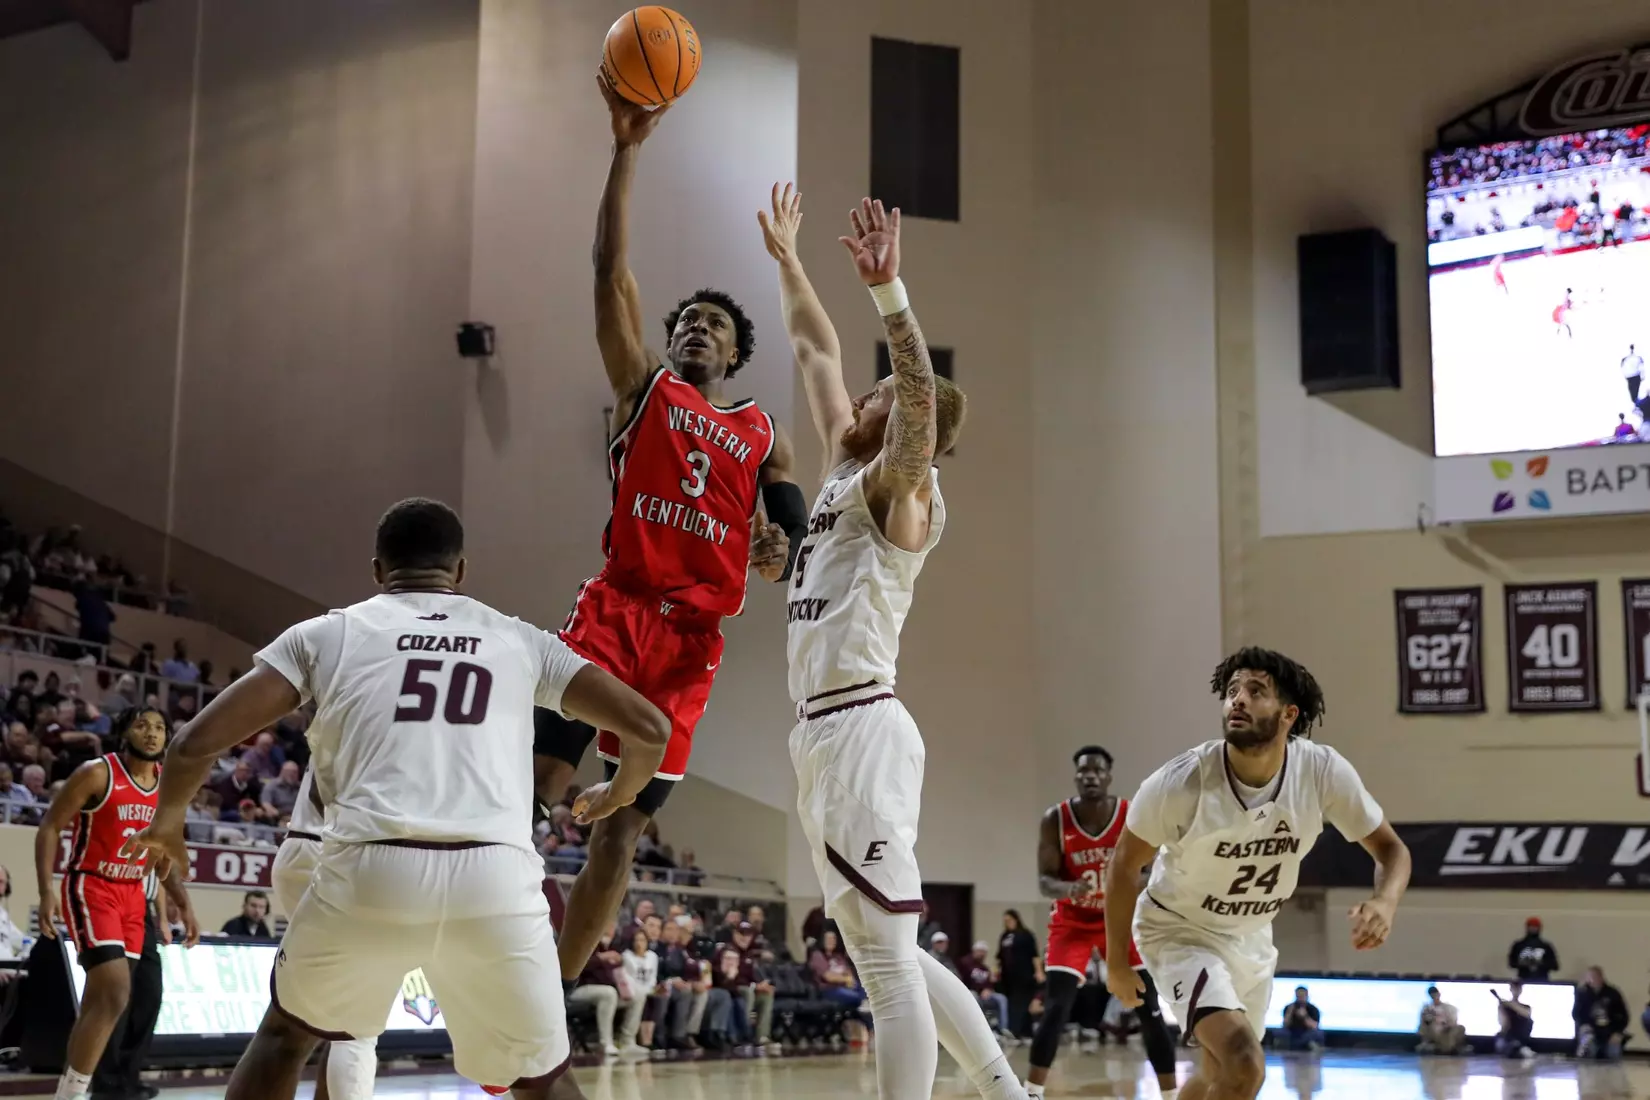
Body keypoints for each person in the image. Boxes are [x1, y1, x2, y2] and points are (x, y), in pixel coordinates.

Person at [121, 497, 671, 1100]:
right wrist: (619, 790)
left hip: (370, 870)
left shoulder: (329, 633)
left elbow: (195, 742)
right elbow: (650, 730)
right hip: (495, 880)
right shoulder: (521, 641)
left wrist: (170, 821)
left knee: (285, 1039)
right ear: (460, 571)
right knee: (540, 1079)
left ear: (378, 570)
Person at [532, 73, 804, 991]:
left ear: (736, 354)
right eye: (685, 319)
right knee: (536, 790)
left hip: (692, 645)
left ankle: (553, 1004)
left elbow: (787, 526)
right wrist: (626, 149)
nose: (694, 328)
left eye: (712, 325)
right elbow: (608, 273)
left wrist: (780, 551)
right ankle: (495, 930)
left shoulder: (763, 429)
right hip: (616, 611)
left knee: (621, 834)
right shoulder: (644, 390)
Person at [764, 185, 1020, 1100]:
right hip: (825, 734)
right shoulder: (842, 467)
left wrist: (891, 294)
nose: (859, 396)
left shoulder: (900, 491)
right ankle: (1001, 1088)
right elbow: (812, 348)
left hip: (861, 727)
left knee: (882, 965)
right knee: (893, 947)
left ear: (917, 436)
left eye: (879, 396)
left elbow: (912, 398)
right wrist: (790, 259)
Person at [1104, 647, 1412, 1100]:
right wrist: (1115, 961)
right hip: (1178, 931)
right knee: (1245, 1065)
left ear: (1289, 714)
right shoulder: (1181, 782)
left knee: (1216, 1074)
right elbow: (1124, 867)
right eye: (1231, 692)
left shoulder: (1321, 771)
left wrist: (1385, 902)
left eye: (1255, 691)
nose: (1238, 700)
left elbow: (1391, 849)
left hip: (1251, 938)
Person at [33, 705, 200, 1100]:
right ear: (125, 732)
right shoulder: (96, 772)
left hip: (133, 898)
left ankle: (69, 1092)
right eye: (142, 725)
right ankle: (76, 1093)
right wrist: (45, 890)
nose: (152, 733)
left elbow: (163, 857)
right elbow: (50, 827)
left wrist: (183, 903)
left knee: (102, 1002)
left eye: (160, 727)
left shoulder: (168, 786)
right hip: (92, 886)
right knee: (114, 992)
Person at [1027, 746, 1176, 1099]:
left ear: (1109, 776)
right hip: (1073, 920)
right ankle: (1030, 1091)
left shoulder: (1131, 815)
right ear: (1076, 777)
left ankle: (1171, 1094)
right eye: (1083, 771)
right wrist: (1068, 887)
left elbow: (1152, 868)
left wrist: (1129, 883)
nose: (1090, 776)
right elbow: (1044, 881)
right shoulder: (1056, 819)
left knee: (1148, 1008)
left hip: (1121, 919)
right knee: (1056, 1006)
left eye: (1097, 771)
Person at [270, 766, 378, 1100]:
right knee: (359, 1023)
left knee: (313, 1021)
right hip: (331, 853)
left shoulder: (349, 713)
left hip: (302, 848)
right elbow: (324, 790)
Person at [997, 911, 1039, 1039]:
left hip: (1024, 973)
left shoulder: (1026, 935)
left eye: (1009, 920)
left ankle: (1017, 1031)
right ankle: (1020, 1031)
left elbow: (1034, 955)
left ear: (1016, 920)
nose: (1007, 923)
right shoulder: (1004, 936)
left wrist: (1039, 971)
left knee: (1021, 1002)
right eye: (1005, 921)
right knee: (1011, 1001)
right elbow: (1000, 956)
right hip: (1008, 976)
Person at [1573, 966, 1628, 1060]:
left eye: (1596, 977)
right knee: (1589, 1048)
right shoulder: (1582, 993)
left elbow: (1624, 1016)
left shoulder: (1613, 993)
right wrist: (1583, 1026)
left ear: (1602, 977)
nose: (1593, 980)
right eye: (1591, 977)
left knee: (1613, 1053)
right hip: (1590, 1030)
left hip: (1609, 1030)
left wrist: (1618, 1032)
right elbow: (1576, 1014)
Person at [1417, 986, 1466, 1055]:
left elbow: (1453, 1020)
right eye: (1432, 996)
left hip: (1447, 1031)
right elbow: (1424, 1022)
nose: (1435, 997)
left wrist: (1447, 1025)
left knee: (1460, 1028)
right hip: (1434, 1030)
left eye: (1436, 995)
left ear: (1439, 994)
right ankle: (1434, 1046)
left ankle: (1449, 1047)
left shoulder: (1449, 1007)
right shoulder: (1427, 1008)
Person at [1507, 917, 1558, 982]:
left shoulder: (1546, 946)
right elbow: (1511, 963)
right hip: (1523, 980)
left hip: (1542, 980)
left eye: (1535, 926)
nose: (1533, 929)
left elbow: (1555, 966)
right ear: (1527, 927)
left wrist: (1540, 964)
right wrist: (1525, 964)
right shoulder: (1519, 945)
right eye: (1531, 926)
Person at [1493, 982, 1534, 1058]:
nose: (1516, 990)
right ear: (1511, 989)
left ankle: (1519, 1049)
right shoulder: (1504, 1006)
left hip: (1521, 1038)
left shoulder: (1526, 1007)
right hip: (1507, 1037)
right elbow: (1503, 1024)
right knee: (1505, 1046)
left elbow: (1526, 1014)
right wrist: (1502, 1008)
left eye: (1518, 988)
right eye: (1514, 988)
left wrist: (1510, 1005)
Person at [1281, 986, 1322, 1052]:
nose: (1300, 998)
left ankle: (1307, 1045)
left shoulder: (1313, 1009)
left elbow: (1314, 1026)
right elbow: (1285, 1024)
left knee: (1317, 1033)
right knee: (1281, 1032)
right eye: (1298, 996)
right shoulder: (1289, 1007)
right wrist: (1289, 1013)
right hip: (1292, 1031)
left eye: (1302, 996)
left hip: (1307, 1032)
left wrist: (1305, 1016)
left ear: (1307, 996)